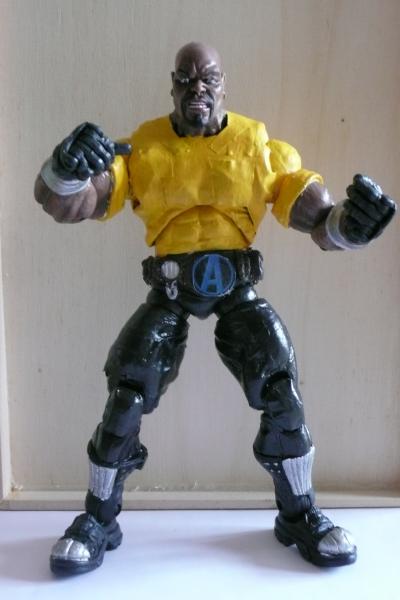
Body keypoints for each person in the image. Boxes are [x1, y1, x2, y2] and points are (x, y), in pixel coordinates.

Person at [34, 42, 396, 574]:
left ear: (224, 85)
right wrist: (65, 170)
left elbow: (313, 213)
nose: (197, 89)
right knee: (126, 394)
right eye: (186, 79)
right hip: (171, 288)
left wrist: (348, 226)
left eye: (209, 79)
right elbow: (71, 203)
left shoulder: (255, 144)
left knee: (281, 389)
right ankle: (98, 518)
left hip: (237, 288)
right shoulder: (144, 147)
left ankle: (300, 514)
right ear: (172, 86)